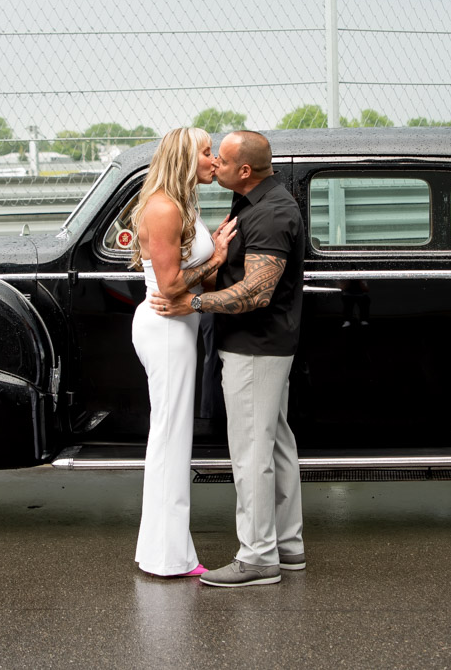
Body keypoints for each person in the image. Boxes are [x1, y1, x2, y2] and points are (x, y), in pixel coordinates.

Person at [153, 130, 306, 588]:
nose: (213, 162)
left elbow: (258, 292)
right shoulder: (253, 200)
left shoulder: (272, 212)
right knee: (275, 442)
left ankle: (258, 557)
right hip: (263, 344)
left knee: (252, 450)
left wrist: (194, 304)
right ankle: (288, 545)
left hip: (254, 345)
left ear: (244, 170)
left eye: (221, 158)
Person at [129, 127, 237, 577]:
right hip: (167, 329)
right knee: (170, 443)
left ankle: (162, 553)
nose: (214, 160)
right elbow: (172, 284)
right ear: (184, 158)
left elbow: (196, 281)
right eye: (207, 152)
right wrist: (215, 257)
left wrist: (212, 256)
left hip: (180, 326)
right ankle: (169, 559)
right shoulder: (163, 207)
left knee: (171, 441)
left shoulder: (184, 204)